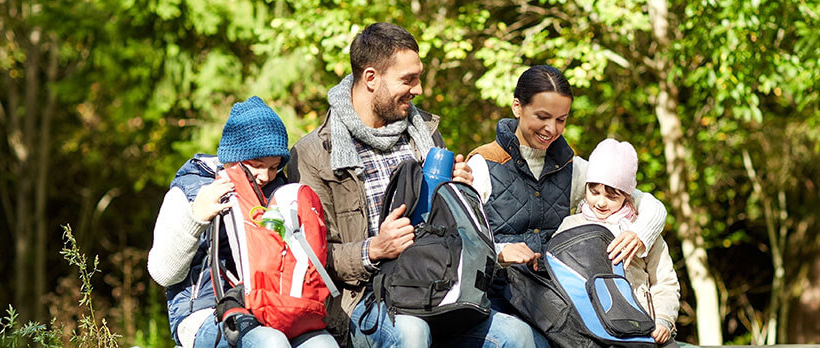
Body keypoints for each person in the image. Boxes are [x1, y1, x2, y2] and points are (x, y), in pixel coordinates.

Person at [286, 23, 547, 347]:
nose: (419, 89)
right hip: (366, 299)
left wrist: (456, 192)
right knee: (412, 332)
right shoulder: (313, 154)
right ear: (371, 78)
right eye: (408, 79)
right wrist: (375, 248)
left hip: (437, 282)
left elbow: (451, 225)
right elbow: (313, 258)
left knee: (516, 336)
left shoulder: (424, 131)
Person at [466, 65, 668, 313]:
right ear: (517, 107)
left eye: (561, 119)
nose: (552, 129)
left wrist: (640, 233)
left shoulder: (573, 169)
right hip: (496, 300)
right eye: (542, 117)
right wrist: (499, 252)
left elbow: (647, 204)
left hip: (556, 302)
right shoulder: (482, 165)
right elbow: (459, 242)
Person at [147, 96, 337, 347]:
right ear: (232, 157)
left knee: (322, 345)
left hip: (274, 303)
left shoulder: (279, 193)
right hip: (205, 311)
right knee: (270, 342)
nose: (265, 176)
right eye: (256, 165)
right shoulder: (191, 189)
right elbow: (163, 274)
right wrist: (196, 218)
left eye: (274, 167)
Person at [552, 139, 680, 347]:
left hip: (643, 327)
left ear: (627, 195)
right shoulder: (571, 226)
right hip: (593, 329)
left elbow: (664, 282)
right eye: (594, 192)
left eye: (612, 196)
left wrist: (663, 320)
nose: (601, 202)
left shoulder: (642, 230)